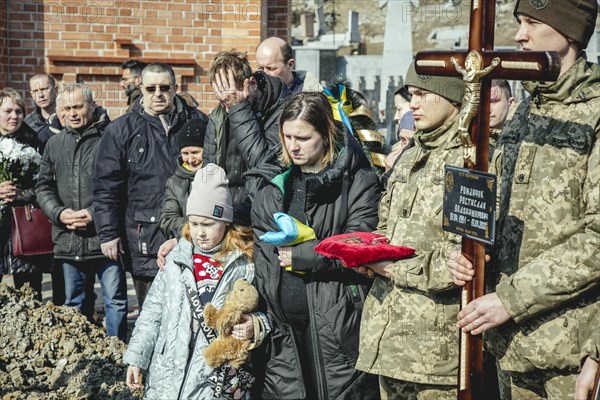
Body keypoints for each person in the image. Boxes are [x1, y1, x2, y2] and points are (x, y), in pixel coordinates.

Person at [446, 0, 599, 398]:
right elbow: (497, 206)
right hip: (511, 346)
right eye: (518, 22)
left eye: (532, 22)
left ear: (569, 34)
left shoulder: (596, 114)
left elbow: (597, 239)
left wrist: (511, 299)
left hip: (571, 351)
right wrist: (468, 252)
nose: (519, 35)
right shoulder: (528, 109)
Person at [249, 92, 381, 399]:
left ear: (326, 136)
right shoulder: (273, 188)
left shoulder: (356, 183)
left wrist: (305, 255)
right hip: (281, 336)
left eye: (304, 138)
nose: (293, 146)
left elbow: (362, 244)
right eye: (288, 136)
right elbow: (263, 263)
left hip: (335, 329)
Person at [355, 62, 466, 400]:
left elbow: (465, 259)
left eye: (423, 94)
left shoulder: (470, 158)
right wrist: (364, 252)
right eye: (411, 95)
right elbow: (387, 225)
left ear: (453, 98)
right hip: (388, 338)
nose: (413, 103)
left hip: (435, 350)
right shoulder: (412, 153)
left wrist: (392, 268)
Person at [124, 164, 267, 399]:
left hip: (213, 380)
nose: (200, 232)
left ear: (226, 222)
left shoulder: (244, 263)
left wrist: (256, 325)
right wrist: (137, 359)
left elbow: (268, 313)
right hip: (166, 377)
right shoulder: (177, 258)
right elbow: (152, 313)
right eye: (195, 224)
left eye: (209, 224)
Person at [93, 62, 208, 310]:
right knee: (152, 314)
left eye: (165, 87)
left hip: (194, 232)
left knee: (193, 312)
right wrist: (108, 233)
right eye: (151, 88)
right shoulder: (121, 130)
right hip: (145, 236)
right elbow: (106, 187)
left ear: (176, 88)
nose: (158, 93)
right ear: (141, 88)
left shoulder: (198, 122)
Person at [35, 84, 128, 340]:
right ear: (59, 110)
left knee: (116, 300)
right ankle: (81, 357)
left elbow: (120, 185)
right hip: (68, 239)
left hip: (105, 237)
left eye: (78, 107)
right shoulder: (54, 144)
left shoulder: (109, 138)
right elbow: (43, 186)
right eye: (67, 108)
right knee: (73, 302)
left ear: (92, 106)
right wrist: (59, 213)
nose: (73, 113)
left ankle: (117, 352)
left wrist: (94, 213)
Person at [204, 50, 290, 221]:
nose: (228, 104)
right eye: (222, 98)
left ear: (251, 83)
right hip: (226, 215)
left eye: (233, 96)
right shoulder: (218, 115)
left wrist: (239, 108)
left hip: (261, 213)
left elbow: (264, 162)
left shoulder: (282, 110)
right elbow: (208, 171)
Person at [0, 88, 45, 299]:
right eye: (8, 111)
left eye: (19, 111)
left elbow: (45, 185)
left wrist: (20, 194)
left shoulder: (32, 141)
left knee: (29, 292)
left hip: (24, 227)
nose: (14, 116)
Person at [160, 118, 208, 239]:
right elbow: (167, 221)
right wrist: (203, 222)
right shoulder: (175, 182)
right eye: (185, 154)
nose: (191, 160)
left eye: (195, 152)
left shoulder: (222, 176)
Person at [255, 37, 322, 94]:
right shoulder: (254, 93)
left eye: (271, 68)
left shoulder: (310, 98)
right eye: (260, 69)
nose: (265, 74)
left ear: (290, 65)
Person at [25, 73, 61, 152]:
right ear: (32, 95)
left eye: (44, 89)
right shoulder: (28, 124)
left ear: (56, 89)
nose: (40, 95)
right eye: (35, 91)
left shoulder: (69, 118)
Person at [489, 79, 516, 149]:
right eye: (482, 103)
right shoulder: (470, 141)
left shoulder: (524, 138)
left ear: (511, 103)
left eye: (494, 101)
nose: (488, 109)